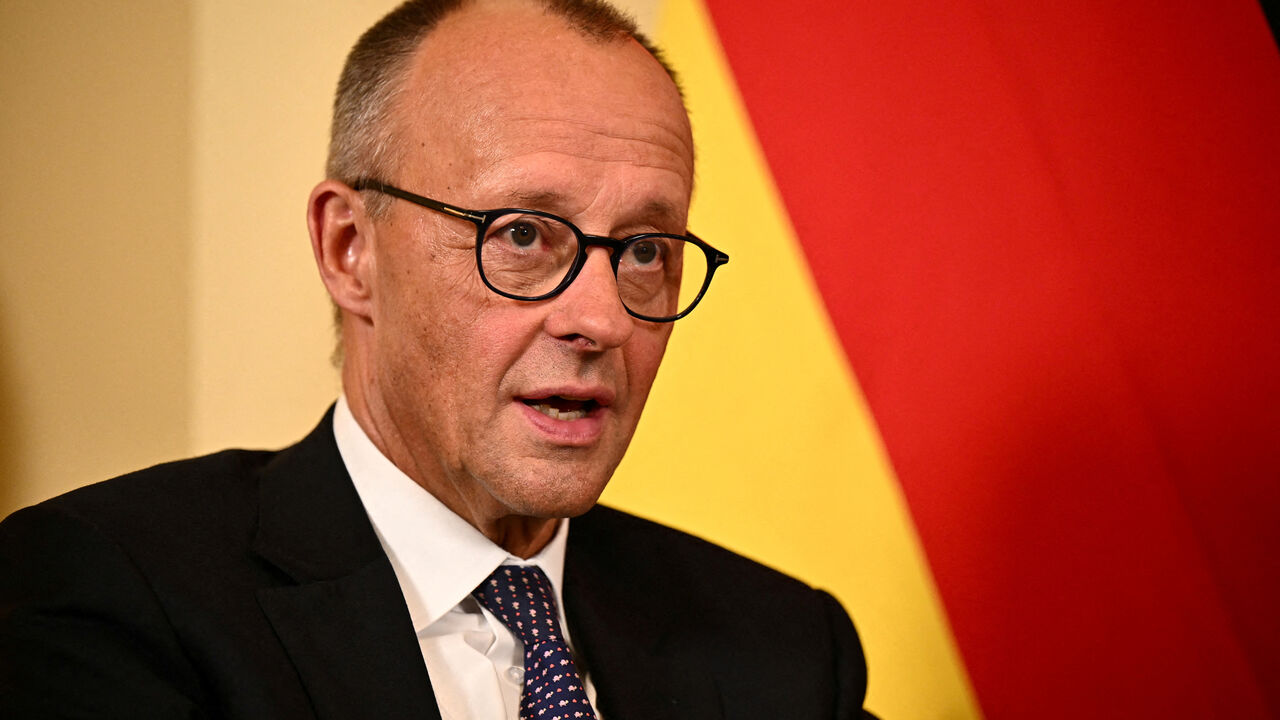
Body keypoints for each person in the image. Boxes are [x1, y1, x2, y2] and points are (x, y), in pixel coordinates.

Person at [0, 0, 875, 717]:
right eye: (524, 234)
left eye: (646, 249)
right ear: (351, 249)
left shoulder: (786, 652)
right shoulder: (107, 600)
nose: (603, 318)